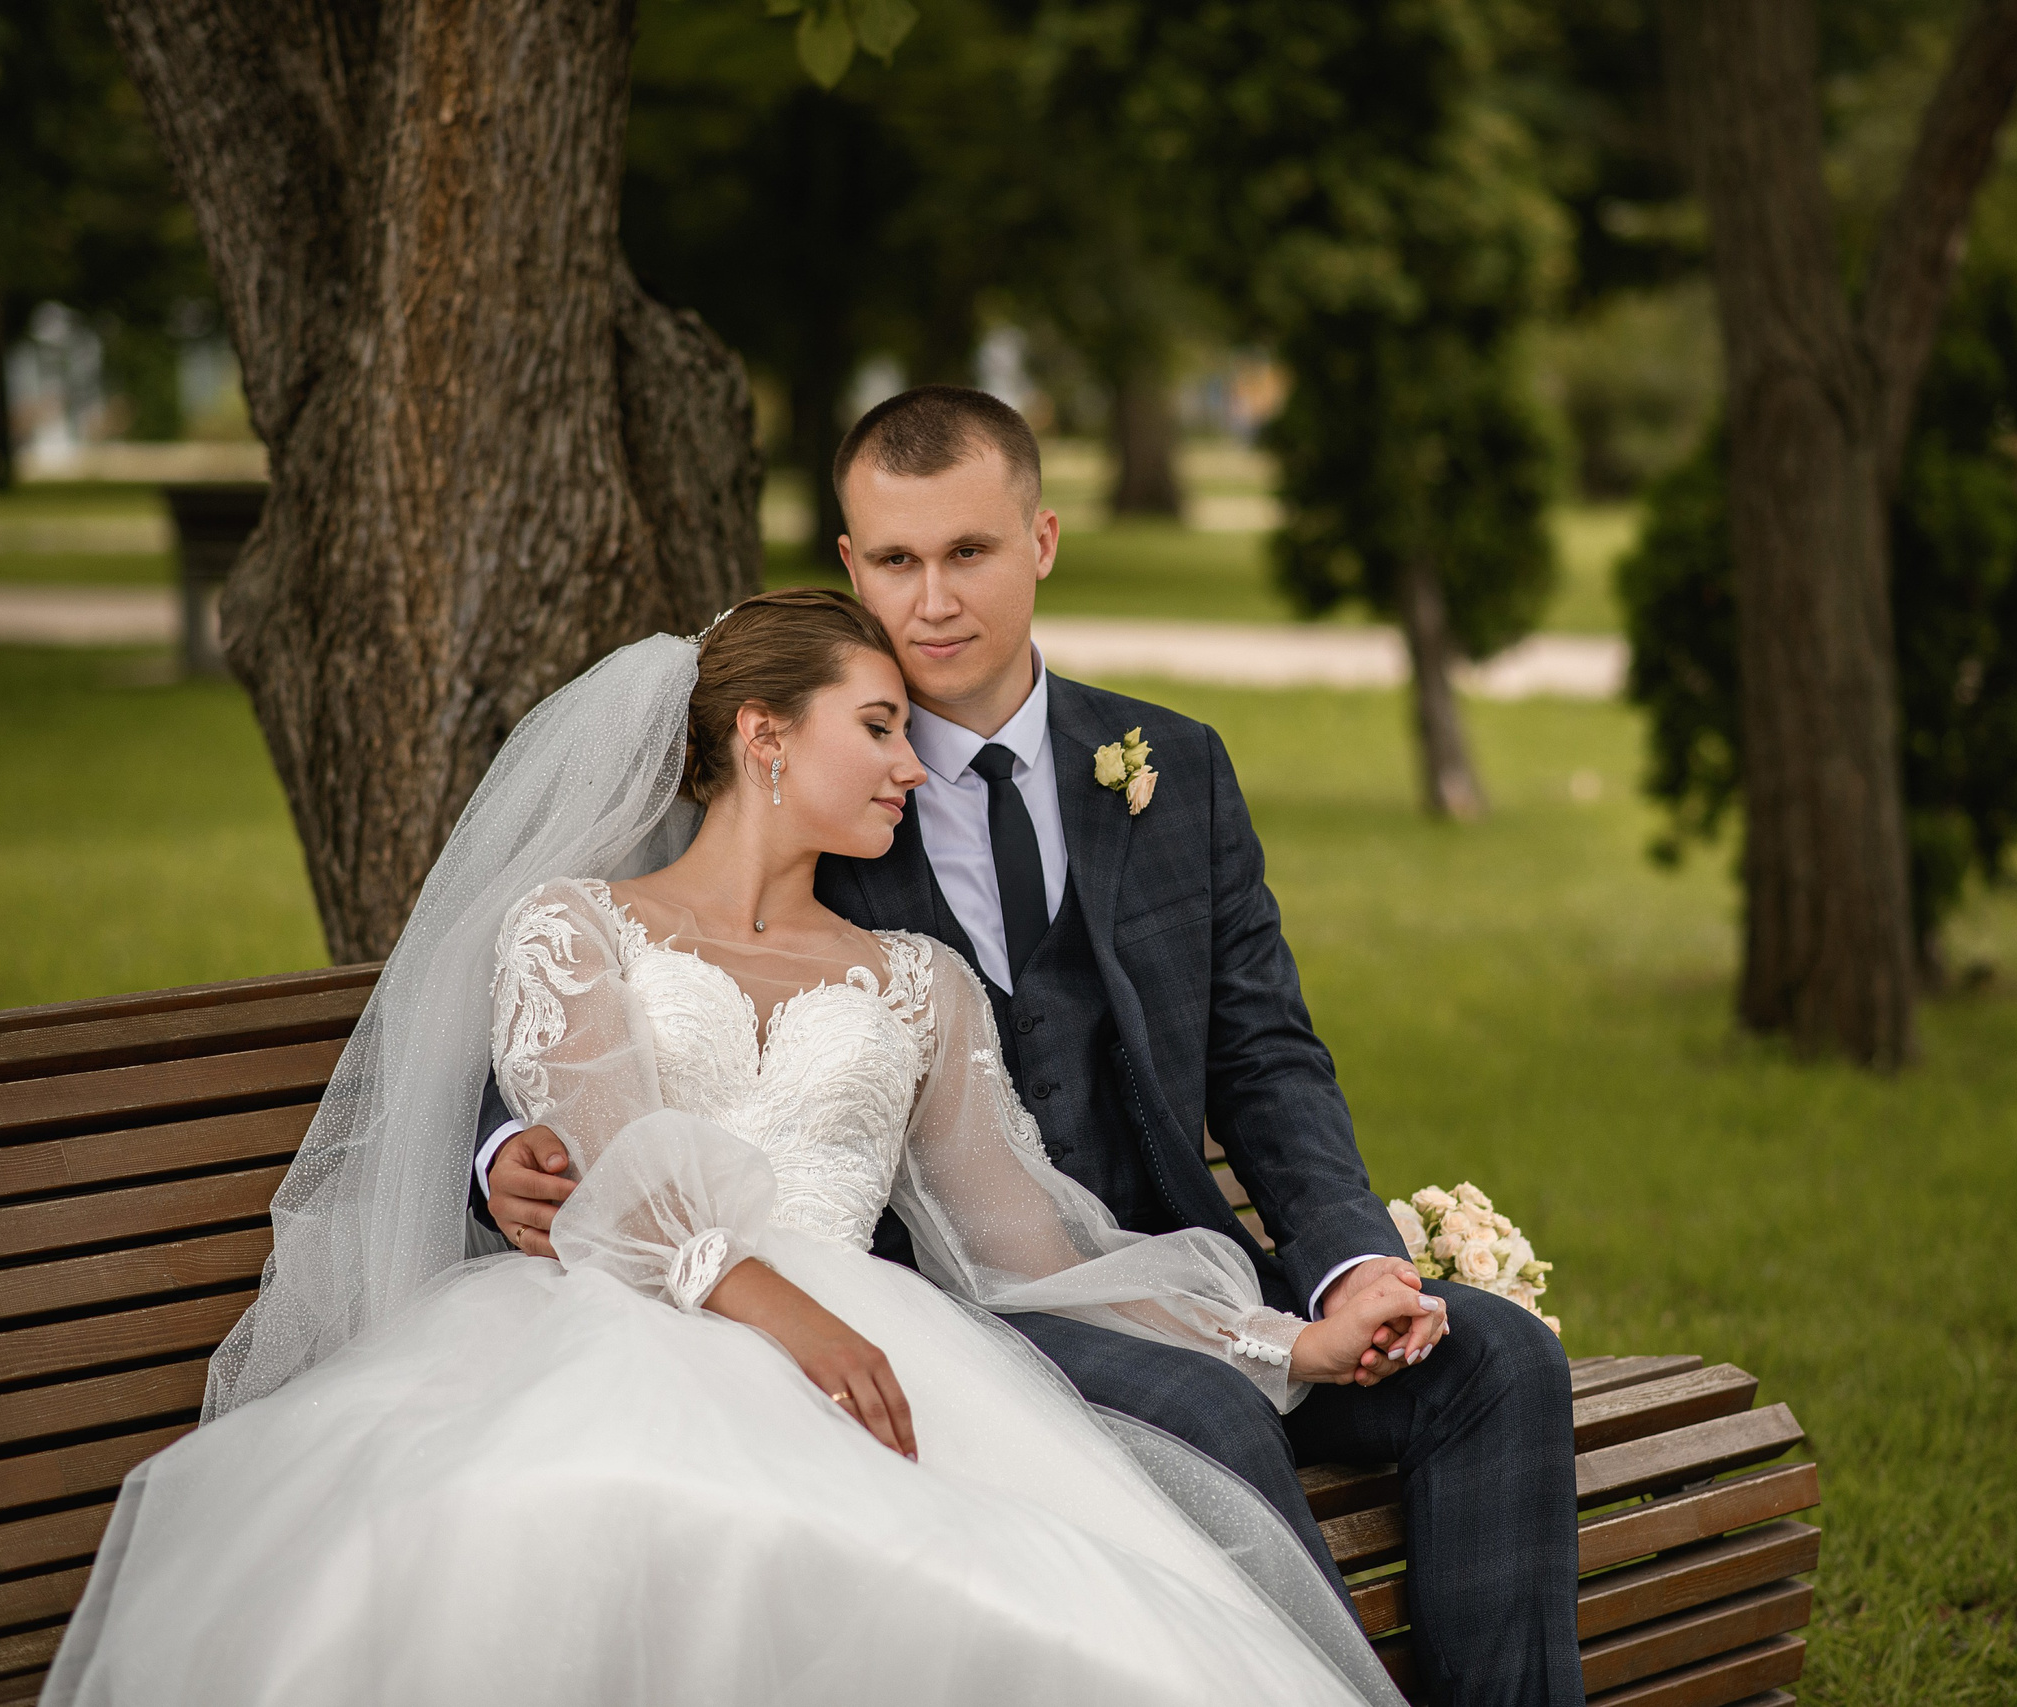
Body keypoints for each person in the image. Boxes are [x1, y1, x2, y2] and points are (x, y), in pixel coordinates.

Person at [43, 589, 1423, 1706]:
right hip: (617, 1335)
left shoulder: (918, 984)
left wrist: (1282, 1344)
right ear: (765, 736)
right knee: (584, 1522)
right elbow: (618, 1176)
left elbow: (1033, 1249)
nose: (911, 764)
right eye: (878, 728)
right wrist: (791, 1320)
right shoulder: (575, 929)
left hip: (880, 1352)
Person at [474, 387, 1587, 1706]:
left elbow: (1268, 1059)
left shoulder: (1174, 765)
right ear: (851, 565)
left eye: (970, 552)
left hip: (1161, 1271)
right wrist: (504, 1151)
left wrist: (1350, 1270)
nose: (933, 600)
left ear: (1043, 541)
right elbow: (605, 1005)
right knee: (1209, 1416)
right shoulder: (802, 753)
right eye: (897, 561)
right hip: (942, 1309)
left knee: (1496, 1360)